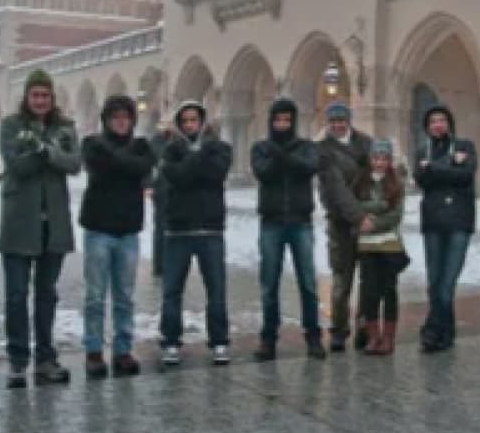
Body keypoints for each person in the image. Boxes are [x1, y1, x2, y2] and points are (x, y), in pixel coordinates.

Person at [0, 69, 81, 389]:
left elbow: (74, 163)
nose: (41, 101)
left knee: (46, 295)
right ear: (27, 97)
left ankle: (45, 358)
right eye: (35, 95)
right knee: (17, 296)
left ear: (52, 97)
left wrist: (45, 151)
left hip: (54, 225)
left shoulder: (65, 127)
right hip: (20, 222)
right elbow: (16, 165)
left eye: (45, 95)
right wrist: (48, 154)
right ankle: (17, 360)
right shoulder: (11, 125)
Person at [80, 94, 155, 379]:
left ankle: (123, 350)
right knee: (95, 295)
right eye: (115, 118)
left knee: (124, 296)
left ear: (132, 121)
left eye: (125, 118)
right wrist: (127, 164)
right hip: (98, 230)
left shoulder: (141, 146)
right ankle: (94, 350)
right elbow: (97, 169)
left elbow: (143, 167)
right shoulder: (91, 144)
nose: (121, 122)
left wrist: (115, 160)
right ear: (107, 120)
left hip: (128, 232)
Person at [159, 100, 233, 367]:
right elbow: (177, 176)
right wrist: (200, 156)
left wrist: (193, 161)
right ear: (179, 124)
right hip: (177, 229)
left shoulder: (221, 148)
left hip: (210, 228)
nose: (190, 125)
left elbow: (216, 174)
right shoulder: (170, 150)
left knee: (216, 289)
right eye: (185, 121)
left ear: (202, 122)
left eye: (194, 120)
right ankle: (170, 342)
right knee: (172, 291)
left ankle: (220, 341)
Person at [251, 98, 324, 361]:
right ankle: (268, 338)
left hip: (300, 222)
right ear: (271, 121)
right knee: (269, 284)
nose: (282, 125)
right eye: (278, 120)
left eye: (287, 120)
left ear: (293, 121)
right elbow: (264, 173)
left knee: (308, 283)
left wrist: (281, 156)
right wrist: (285, 159)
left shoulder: (307, 147)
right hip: (271, 223)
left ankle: (313, 336)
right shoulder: (260, 147)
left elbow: (309, 169)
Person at [413, 104, 477, 353]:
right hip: (432, 223)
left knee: (447, 283)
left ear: (449, 123)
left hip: (459, 222)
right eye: (432, 122)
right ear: (427, 127)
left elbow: (466, 176)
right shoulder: (421, 150)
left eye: (441, 120)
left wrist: (436, 167)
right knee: (434, 281)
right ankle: (445, 333)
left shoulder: (465, 146)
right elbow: (422, 179)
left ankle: (431, 330)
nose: (437, 124)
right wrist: (450, 164)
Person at [316, 102, 373, 352]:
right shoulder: (323, 149)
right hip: (340, 222)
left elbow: (382, 174)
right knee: (341, 279)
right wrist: (359, 217)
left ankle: (364, 327)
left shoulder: (366, 142)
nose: (338, 124)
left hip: (370, 222)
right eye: (334, 120)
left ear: (349, 120)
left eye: (342, 119)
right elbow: (335, 189)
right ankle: (339, 330)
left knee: (368, 279)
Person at [354, 139, 406, 356]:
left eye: (384, 158)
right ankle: (373, 336)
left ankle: (388, 337)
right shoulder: (361, 182)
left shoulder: (396, 183)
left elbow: (396, 214)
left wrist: (373, 221)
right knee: (369, 292)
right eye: (376, 158)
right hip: (366, 246)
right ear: (370, 159)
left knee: (389, 291)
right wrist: (380, 205)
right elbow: (356, 205)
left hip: (389, 245)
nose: (380, 162)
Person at [148, 120, 171, 279]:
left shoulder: (178, 140)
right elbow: (150, 165)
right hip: (162, 190)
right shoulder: (156, 142)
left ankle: (172, 264)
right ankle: (160, 265)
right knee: (161, 229)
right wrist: (148, 185)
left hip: (178, 191)